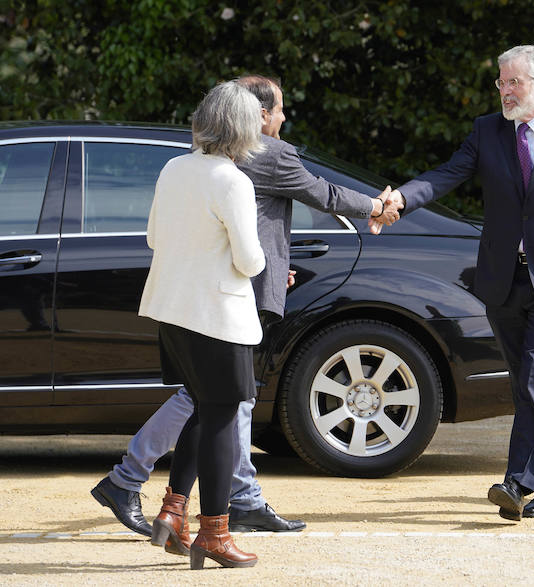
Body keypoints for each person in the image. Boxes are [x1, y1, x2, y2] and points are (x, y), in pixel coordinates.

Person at [91, 74, 401, 536]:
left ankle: (187, 501)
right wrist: (378, 207)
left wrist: (274, 266)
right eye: (277, 109)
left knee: (217, 399)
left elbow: (167, 236)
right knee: (219, 400)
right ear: (252, 117)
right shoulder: (261, 157)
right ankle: (180, 496)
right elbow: (322, 197)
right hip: (229, 296)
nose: (281, 118)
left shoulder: (179, 166)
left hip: (184, 299)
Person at [374, 45, 534, 521]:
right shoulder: (487, 131)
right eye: (501, 81)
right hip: (502, 281)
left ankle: (518, 482)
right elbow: (445, 175)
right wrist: (403, 199)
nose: (505, 90)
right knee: (525, 385)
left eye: (514, 82)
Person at [139, 80, 265, 568]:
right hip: (217, 316)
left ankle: (174, 512)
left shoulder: (174, 167)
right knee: (221, 416)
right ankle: (214, 533)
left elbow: (154, 237)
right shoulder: (232, 179)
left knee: (203, 408)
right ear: (244, 128)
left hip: (172, 309)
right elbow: (251, 262)